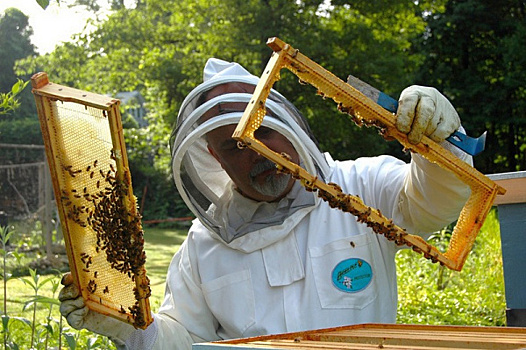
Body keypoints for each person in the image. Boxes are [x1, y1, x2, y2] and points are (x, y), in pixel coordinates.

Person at [59, 58, 472, 349]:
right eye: (236, 146)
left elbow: (435, 202)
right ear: (215, 158)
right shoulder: (203, 248)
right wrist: (129, 327)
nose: (257, 153)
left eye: (263, 133)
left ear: (285, 122)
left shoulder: (359, 185)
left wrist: (438, 145)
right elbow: (184, 341)